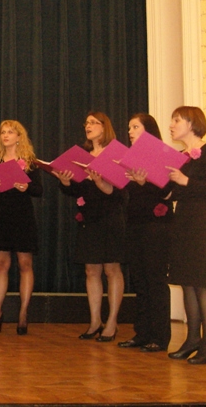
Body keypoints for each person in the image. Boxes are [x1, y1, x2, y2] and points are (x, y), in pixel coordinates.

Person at [55, 112, 126, 342]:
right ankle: (95, 321)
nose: (88, 126)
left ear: (105, 127)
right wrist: (65, 181)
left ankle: (112, 322)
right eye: (86, 122)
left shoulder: (116, 155)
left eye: (94, 122)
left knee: (111, 269)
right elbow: (77, 190)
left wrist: (99, 181)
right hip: (89, 217)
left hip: (111, 217)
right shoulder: (83, 156)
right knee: (91, 270)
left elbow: (119, 193)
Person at [166, 106, 206, 364]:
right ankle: (192, 339)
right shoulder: (180, 157)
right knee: (186, 280)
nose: (171, 125)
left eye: (176, 120)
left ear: (192, 123)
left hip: (202, 220)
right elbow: (173, 193)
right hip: (183, 219)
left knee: (201, 280)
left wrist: (184, 181)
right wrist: (156, 182)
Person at [0, 120, 43, 335]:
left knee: (25, 264)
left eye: (10, 132)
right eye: (2, 132)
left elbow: (39, 190)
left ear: (19, 137)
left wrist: (26, 187)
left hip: (23, 216)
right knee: (1, 265)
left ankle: (23, 314)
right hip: (2, 215)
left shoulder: (29, 162)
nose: (5, 135)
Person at [117, 114, 173, 352]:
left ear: (148, 130)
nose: (130, 131)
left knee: (155, 280)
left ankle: (160, 336)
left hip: (156, 224)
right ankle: (142, 333)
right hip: (135, 223)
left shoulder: (163, 155)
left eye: (135, 127)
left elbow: (169, 191)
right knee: (139, 280)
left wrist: (145, 182)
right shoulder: (130, 157)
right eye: (129, 127)